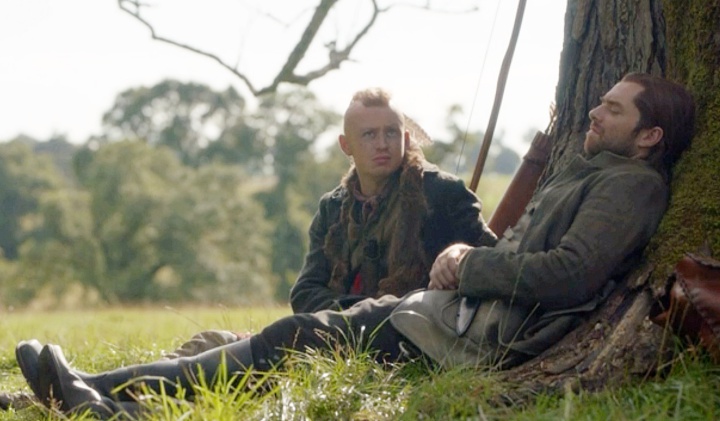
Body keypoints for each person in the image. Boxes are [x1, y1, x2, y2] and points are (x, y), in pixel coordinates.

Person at [13, 73, 696, 418]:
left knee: (288, 340)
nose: (594, 110)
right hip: (453, 314)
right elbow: (309, 286)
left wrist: (466, 262)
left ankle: (93, 395)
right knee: (280, 338)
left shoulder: (631, 185)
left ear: (649, 136)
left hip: (479, 328)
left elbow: (570, 272)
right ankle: (93, 395)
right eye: (600, 101)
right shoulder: (599, 172)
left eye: (613, 108)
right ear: (349, 145)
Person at [159, 87, 495, 359]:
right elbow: (306, 292)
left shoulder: (442, 193)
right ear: (347, 146)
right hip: (335, 336)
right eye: (369, 135)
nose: (382, 144)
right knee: (213, 345)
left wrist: (460, 253)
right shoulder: (333, 207)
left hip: (409, 340)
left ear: (406, 138)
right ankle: (147, 387)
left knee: (262, 350)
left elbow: (494, 261)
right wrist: (352, 316)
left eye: (391, 133)